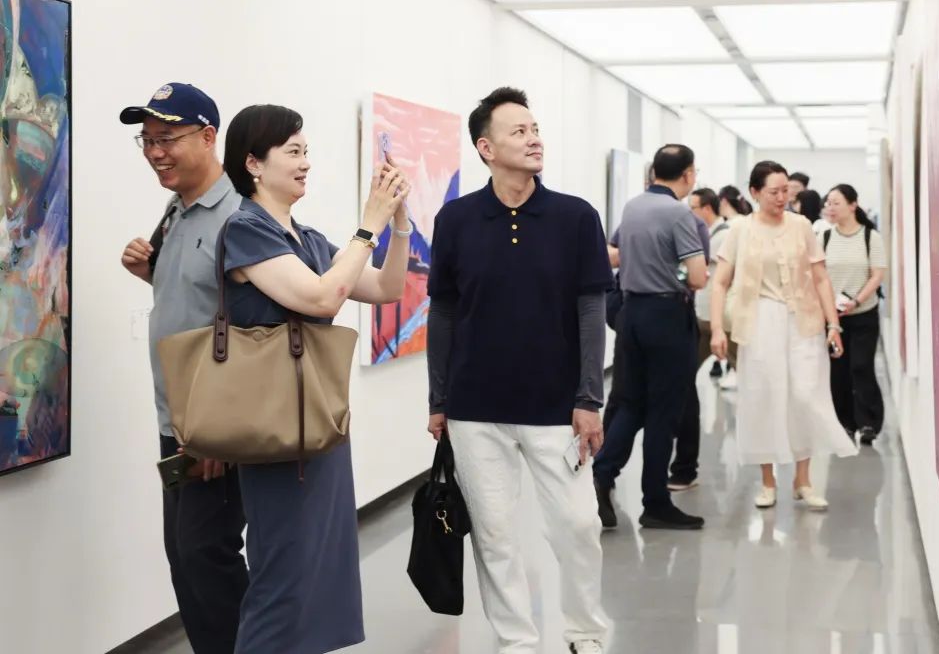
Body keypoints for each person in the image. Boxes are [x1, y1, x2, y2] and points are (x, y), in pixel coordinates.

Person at [219, 104, 411, 654]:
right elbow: (323, 297)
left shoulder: (307, 238)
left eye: (307, 151)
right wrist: (368, 226)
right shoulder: (245, 229)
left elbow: (386, 289)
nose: (306, 163)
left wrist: (398, 223)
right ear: (254, 164)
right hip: (275, 425)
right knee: (282, 573)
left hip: (319, 419)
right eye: (293, 152)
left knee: (319, 569)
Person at [426, 87, 610, 654]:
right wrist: (438, 401)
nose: (534, 140)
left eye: (535, 129)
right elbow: (444, 311)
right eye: (519, 131)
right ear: (486, 148)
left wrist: (590, 398)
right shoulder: (456, 218)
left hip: (557, 406)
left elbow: (591, 310)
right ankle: (516, 642)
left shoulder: (575, 217)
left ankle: (585, 631)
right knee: (495, 533)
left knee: (579, 525)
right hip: (475, 407)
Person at [119, 83, 247, 654]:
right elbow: (199, 299)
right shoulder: (176, 208)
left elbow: (255, 329)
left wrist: (219, 426)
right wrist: (149, 271)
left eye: (167, 138)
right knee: (185, 555)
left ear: (208, 136)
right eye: (147, 140)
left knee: (205, 555)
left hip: (212, 426)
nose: (155, 152)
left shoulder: (239, 217)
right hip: (175, 420)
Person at [709, 161, 856, 511]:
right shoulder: (740, 229)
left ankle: (803, 480)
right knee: (764, 397)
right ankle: (768, 481)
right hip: (759, 322)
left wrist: (833, 324)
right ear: (754, 192)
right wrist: (716, 328)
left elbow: (820, 278)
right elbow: (720, 282)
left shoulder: (801, 226)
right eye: (773, 191)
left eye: (786, 190)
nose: (781, 197)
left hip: (804, 320)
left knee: (806, 395)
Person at [593, 144, 707, 530]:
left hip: (631, 314)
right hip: (666, 317)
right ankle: (655, 502)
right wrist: (677, 272)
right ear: (688, 175)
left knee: (630, 404)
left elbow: (619, 256)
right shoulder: (679, 213)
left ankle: (602, 474)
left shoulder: (633, 207)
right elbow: (697, 277)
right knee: (663, 412)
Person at [667, 187, 726, 490]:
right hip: (699, 314)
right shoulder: (698, 229)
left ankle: (685, 466)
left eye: (694, 207)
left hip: (714, 317)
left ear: (707, 208)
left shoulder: (720, 234)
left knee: (686, 387)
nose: (689, 211)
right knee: (684, 383)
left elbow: (698, 276)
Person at [822, 185, 887, 445]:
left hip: (863, 313)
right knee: (838, 372)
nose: (830, 208)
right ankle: (845, 423)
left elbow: (877, 275)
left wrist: (856, 300)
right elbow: (818, 276)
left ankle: (869, 422)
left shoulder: (871, 237)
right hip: (833, 317)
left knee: (861, 366)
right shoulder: (825, 237)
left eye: (836, 203)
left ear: (852, 205)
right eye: (828, 203)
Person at [710, 185, 751, 385]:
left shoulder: (735, 227)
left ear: (724, 201)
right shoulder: (741, 224)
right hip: (733, 300)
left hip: (735, 300)